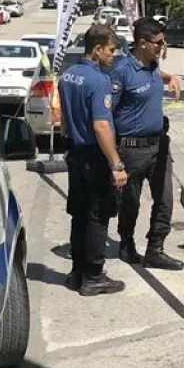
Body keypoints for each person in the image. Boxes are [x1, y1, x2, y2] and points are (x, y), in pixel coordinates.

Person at [109, 17, 184, 270]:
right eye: (159, 43)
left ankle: (155, 249)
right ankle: (126, 242)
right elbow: (107, 114)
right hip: (131, 149)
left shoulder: (153, 65)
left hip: (159, 146)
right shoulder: (121, 71)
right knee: (129, 202)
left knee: (165, 200)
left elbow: (151, 76)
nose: (162, 47)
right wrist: (113, 159)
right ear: (142, 43)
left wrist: (169, 77)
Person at [58, 24, 128, 296]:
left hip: (75, 153)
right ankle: (95, 275)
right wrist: (116, 164)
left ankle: (77, 272)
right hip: (93, 155)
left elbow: (64, 120)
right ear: (97, 49)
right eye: (110, 50)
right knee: (98, 216)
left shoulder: (68, 75)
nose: (113, 55)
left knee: (79, 214)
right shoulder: (99, 81)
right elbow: (101, 126)